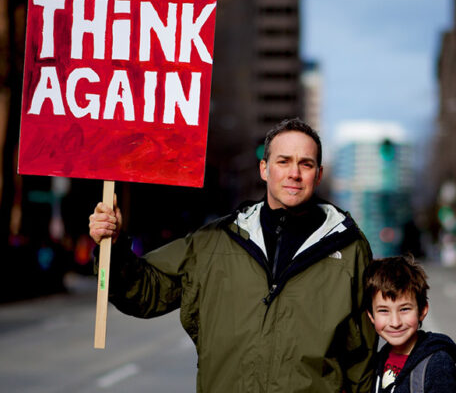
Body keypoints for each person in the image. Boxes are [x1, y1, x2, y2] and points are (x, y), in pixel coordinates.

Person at [89, 118, 376, 393]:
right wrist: (113, 246)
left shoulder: (350, 248)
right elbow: (143, 292)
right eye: (283, 161)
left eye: (306, 164)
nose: (294, 173)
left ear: (319, 174)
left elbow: (362, 358)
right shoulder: (213, 242)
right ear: (264, 169)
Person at [364, 256, 456, 393]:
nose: (395, 322)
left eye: (404, 309)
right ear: (371, 315)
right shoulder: (376, 362)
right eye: (383, 311)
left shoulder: (438, 365)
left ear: (422, 310)